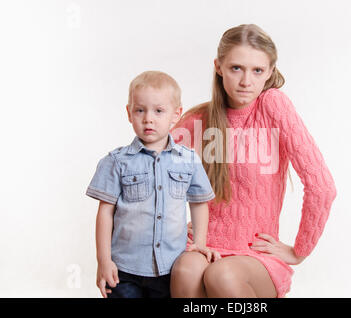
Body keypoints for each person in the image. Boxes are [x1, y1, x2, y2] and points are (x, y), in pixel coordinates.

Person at [169, 24, 337, 298]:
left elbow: (322, 186)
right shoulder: (200, 119)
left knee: (221, 274)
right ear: (219, 67)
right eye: (236, 68)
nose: (246, 81)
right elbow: (152, 169)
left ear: (270, 72)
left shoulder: (273, 106)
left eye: (257, 70)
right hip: (204, 243)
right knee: (185, 271)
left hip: (255, 254)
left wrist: (299, 250)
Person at [86, 71, 220, 298]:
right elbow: (105, 213)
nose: (148, 118)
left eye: (159, 111)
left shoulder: (188, 160)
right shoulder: (116, 161)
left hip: (169, 269)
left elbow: (198, 204)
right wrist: (104, 260)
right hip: (124, 269)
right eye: (140, 110)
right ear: (129, 113)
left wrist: (199, 243)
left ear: (175, 114)